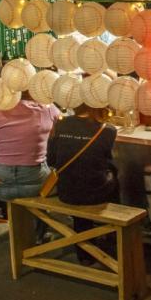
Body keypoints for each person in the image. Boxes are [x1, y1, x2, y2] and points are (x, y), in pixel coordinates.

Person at [46, 104, 119, 265]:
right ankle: (113, 232)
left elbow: (51, 160)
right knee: (111, 175)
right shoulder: (108, 130)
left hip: (65, 192)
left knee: (79, 179)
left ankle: (85, 253)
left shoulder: (61, 124)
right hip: (94, 193)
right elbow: (106, 160)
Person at [0, 91, 60, 201]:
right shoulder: (48, 108)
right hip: (37, 183)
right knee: (60, 178)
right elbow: (60, 134)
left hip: (2, 188)